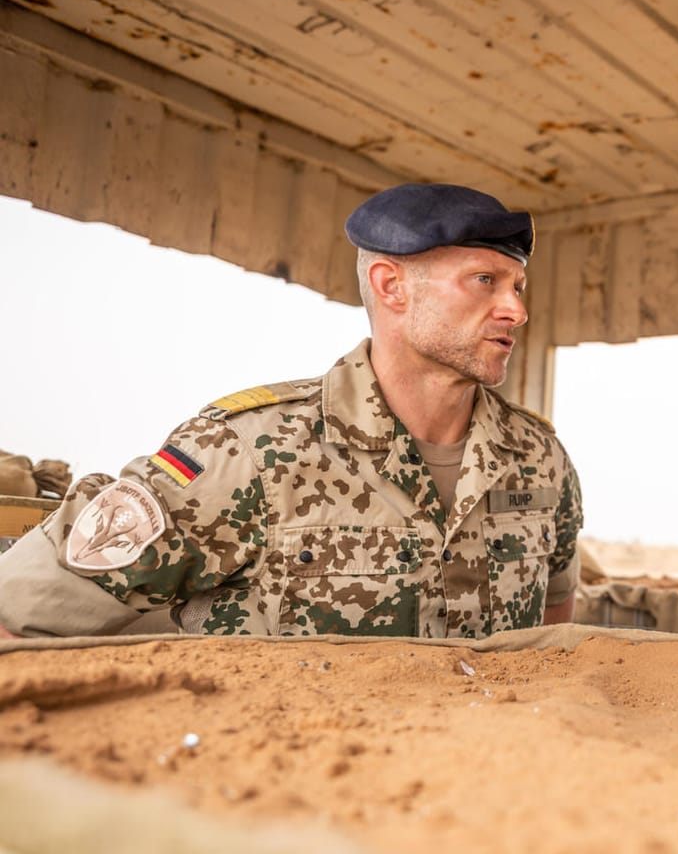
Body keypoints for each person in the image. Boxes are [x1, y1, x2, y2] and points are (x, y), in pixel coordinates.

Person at [0, 183, 582, 639]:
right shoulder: (249, 450)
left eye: (518, 286)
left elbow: (554, 609)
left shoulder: (538, 458)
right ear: (392, 286)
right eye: (485, 280)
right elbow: (23, 615)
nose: (515, 310)